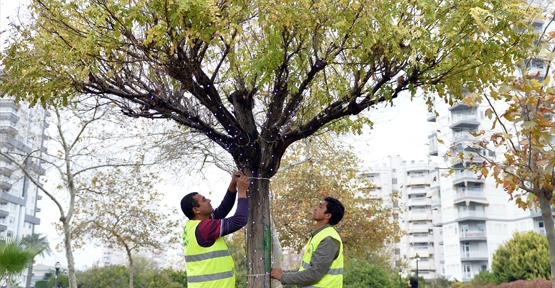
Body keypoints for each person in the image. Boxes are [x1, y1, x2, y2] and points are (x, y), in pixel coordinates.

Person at [180, 170, 250, 288]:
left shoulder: (192, 226)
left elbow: (223, 209)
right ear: (196, 210)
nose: (209, 200)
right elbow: (240, 220)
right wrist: (242, 191)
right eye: (204, 200)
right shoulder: (204, 228)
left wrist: (233, 185)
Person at [270, 197, 345, 287]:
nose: (315, 208)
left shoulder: (328, 239)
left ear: (328, 215)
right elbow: (305, 269)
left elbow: (313, 274)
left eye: (320, 207)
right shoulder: (319, 235)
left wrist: (283, 277)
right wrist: (283, 273)